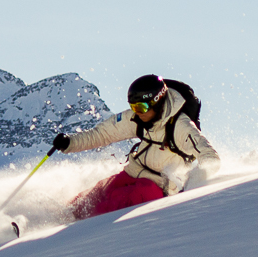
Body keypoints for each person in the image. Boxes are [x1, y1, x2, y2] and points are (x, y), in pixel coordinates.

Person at [52, 75, 221, 219]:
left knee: (107, 207)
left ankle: (75, 231)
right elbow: (102, 135)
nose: (137, 112)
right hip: (132, 172)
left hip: (158, 188)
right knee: (91, 198)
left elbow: (211, 158)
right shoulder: (139, 117)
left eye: (141, 107)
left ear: (157, 102)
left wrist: (193, 183)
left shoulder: (180, 126)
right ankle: (58, 219)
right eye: (133, 107)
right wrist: (70, 143)